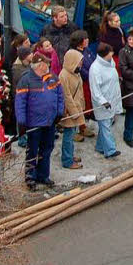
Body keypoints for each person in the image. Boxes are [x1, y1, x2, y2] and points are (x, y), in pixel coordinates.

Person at [14, 52, 65, 189]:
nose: (49, 65)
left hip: (49, 122)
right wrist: (22, 122)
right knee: (32, 151)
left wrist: (60, 112)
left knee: (47, 149)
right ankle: (30, 177)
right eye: (46, 63)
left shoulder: (53, 78)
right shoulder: (26, 80)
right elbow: (20, 103)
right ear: (40, 65)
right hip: (34, 124)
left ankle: (43, 175)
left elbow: (60, 95)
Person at [58, 32, 88, 170]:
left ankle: (69, 156)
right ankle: (67, 160)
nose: (81, 62)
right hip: (70, 112)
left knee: (71, 136)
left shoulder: (74, 73)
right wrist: (75, 112)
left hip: (76, 109)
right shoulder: (64, 76)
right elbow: (67, 96)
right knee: (68, 137)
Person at [88, 42, 122, 159]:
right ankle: (110, 150)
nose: (112, 55)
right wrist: (103, 101)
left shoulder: (109, 62)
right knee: (105, 126)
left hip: (112, 98)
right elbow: (95, 89)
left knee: (105, 125)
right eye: (110, 54)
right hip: (103, 103)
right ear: (104, 54)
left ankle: (100, 146)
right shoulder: (95, 68)